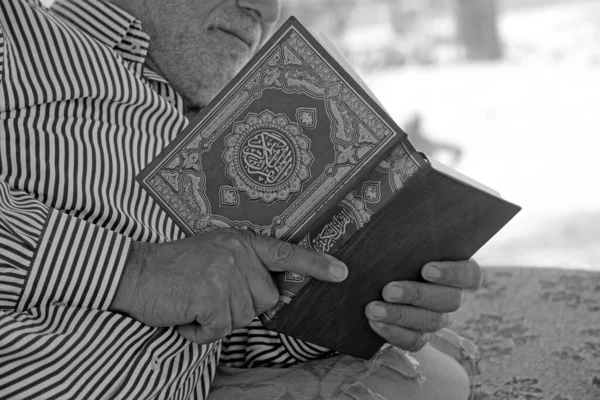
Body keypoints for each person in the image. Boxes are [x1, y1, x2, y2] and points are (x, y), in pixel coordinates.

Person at [0, 1, 482, 399]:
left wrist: (352, 301)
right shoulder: (20, 36)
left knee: (436, 370)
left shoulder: (203, 124)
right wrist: (133, 271)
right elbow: (152, 280)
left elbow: (196, 334)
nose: (266, 9)